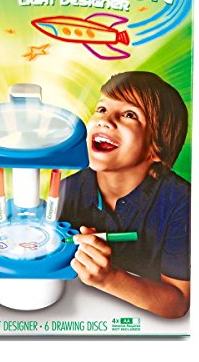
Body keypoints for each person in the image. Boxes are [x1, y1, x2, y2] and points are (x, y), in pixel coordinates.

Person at [59, 71, 190, 318]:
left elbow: (178, 303)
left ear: (156, 148)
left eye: (129, 114)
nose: (105, 120)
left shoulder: (181, 201)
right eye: (101, 109)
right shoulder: (67, 189)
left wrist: (110, 278)